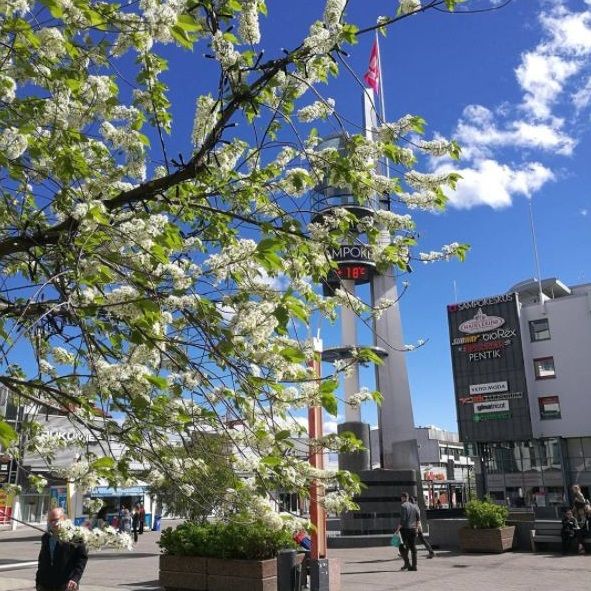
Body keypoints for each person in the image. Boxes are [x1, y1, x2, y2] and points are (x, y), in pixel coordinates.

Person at [36, 507, 88, 591]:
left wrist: (75, 578)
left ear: (64, 518)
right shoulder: (46, 537)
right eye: (50, 521)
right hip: (45, 584)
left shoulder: (75, 536)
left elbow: (82, 558)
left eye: (56, 520)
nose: (53, 523)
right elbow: (42, 559)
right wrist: (38, 581)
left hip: (66, 584)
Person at [394, 491, 420, 572]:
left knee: (401, 547)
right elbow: (418, 519)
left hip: (405, 529)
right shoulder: (414, 506)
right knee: (413, 548)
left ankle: (407, 563)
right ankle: (414, 566)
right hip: (413, 529)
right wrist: (416, 528)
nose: (401, 499)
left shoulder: (403, 506)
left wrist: (397, 530)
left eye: (401, 498)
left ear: (403, 498)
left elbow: (403, 520)